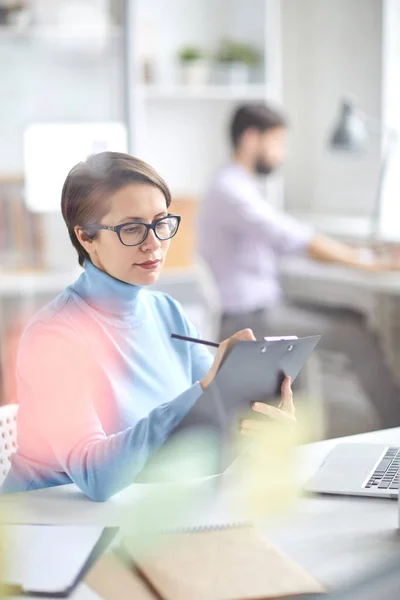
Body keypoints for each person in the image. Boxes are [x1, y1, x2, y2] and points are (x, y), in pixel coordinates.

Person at [1, 152, 294, 502]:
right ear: (86, 238)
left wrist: (260, 424)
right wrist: (201, 389)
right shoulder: (53, 336)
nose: (153, 242)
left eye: (160, 222)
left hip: (141, 513)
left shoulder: (166, 311)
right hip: (50, 530)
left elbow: (209, 424)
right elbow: (98, 477)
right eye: (132, 228)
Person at [197, 103, 398, 341]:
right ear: (251, 138)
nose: (283, 153)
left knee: (347, 321)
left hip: (257, 309)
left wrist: (362, 252)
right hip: (246, 320)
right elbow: (294, 238)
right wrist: (368, 262)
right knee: (355, 331)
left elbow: (292, 238)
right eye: (278, 142)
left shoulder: (237, 185)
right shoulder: (231, 190)